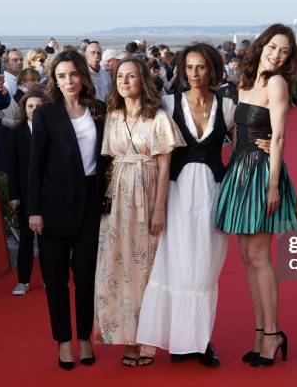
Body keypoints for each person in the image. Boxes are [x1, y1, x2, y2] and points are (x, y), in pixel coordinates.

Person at [137, 43, 251, 367]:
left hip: (214, 194)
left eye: (201, 67)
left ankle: (200, 341)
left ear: (213, 69)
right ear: (182, 70)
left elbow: (246, 145)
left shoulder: (228, 107)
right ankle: (179, 340)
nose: (195, 74)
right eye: (189, 67)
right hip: (176, 193)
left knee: (204, 269)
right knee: (176, 265)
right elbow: (153, 149)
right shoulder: (167, 104)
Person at [215, 23, 297, 367]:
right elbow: (238, 131)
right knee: (248, 260)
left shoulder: (276, 83)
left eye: (284, 51)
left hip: (264, 173)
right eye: (273, 47)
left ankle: (273, 333)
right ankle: (261, 331)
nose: (277, 54)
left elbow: (278, 137)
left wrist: (274, 184)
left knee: (261, 259)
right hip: (241, 170)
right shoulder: (245, 81)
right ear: (262, 45)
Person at [93, 58, 184, 367]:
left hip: (147, 195)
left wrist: (160, 207)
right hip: (115, 197)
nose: (125, 81)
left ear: (143, 80)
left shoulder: (158, 117)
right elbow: (108, 162)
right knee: (116, 267)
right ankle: (125, 338)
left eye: (131, 76)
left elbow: (164, 166)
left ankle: (147, 337)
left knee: (146, 266)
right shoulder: (113, 116)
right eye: (120, 76)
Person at [27, 50, 107, 370]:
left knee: (86, 274)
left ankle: (85, 336)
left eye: (73, 74)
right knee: (56, 278)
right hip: (53, 204)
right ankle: (63, 340)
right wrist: (34, 210)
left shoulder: (99, 110)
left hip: (90, 201)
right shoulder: (46, 114)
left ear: (83, 75)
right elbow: (36, 164)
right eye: (61, 76)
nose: (69, 81)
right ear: (54, 80)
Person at [6, 90, 47, 295]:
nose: (34, 110)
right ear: (24, 109)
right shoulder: (16, 132)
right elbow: (11, 166)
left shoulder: (54, 130)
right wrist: (13, 195)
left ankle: (51, 278)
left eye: (39, 106)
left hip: (50, 193)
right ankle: (23, 280)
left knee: (49, 241)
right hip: (25, 193)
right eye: (30, 106)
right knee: (26, 241)